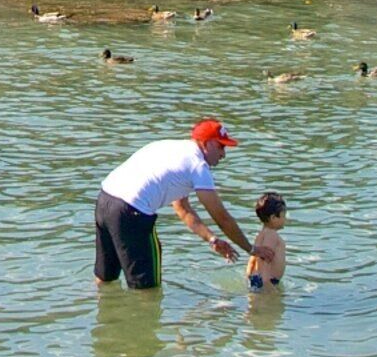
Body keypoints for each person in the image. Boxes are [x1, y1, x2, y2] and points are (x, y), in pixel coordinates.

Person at [93, 118, 250, 292]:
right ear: (207, 143)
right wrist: (251, 249)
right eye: (221, 147)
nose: (223, 154)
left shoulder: (169, 147)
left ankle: (100, 307)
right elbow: (222, 218)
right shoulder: (198, 166)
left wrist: (212, 239)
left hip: (105, 200)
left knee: (105, 278)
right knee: (148, 291)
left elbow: (182, 208)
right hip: (132, 212)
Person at [239, 193, 290, 291]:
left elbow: (253, 259)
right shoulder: (272, 235)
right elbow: (266, 259)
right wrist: (267, 284)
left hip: (257, 278)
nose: (285, 219)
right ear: (273, 218)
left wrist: (249, 277)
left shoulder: (261, 235)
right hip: (267, 280)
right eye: (283, 216)